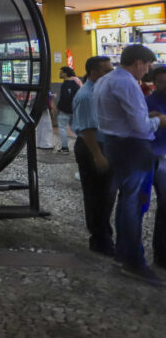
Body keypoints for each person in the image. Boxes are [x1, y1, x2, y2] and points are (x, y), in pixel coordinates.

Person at [96, 44, 164, 285]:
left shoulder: (106, 80)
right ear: (138, 62)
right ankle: (134, 262)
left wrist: (148, 119)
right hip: (133, 148)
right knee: (134, 205)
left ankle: (123, 253)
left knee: (126, 201)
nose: (147, 70)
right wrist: (159, 121)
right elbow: (141, 127)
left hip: (115, 145)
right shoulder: (127, 83)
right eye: (147, 65)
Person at [72, 55, 115, 257]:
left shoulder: (100, 91)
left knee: (106, 195)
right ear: (94, 72)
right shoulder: (87, 96)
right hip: (92, 147)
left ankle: (104, 234)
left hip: (101, 145)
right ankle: (100, 239)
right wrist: (98, 155)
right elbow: (88, 129)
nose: (111, 73)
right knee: (96, 195)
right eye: (107, 70)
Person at [143, 65, 166, 268]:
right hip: (157, 157)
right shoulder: (148, 102)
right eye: (161, 82)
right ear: (155, 82)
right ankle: (161, 253)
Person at [55, 66, 82, 154]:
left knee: (62, 129)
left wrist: (59, 108)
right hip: (74, 111)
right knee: (76, 129)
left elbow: (64, 98)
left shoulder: (65, 84)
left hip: (65, 111)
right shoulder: (75, 84)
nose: (60, 74)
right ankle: (83, 145)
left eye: (61, 72)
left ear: (66, 73)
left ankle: (65, 148)